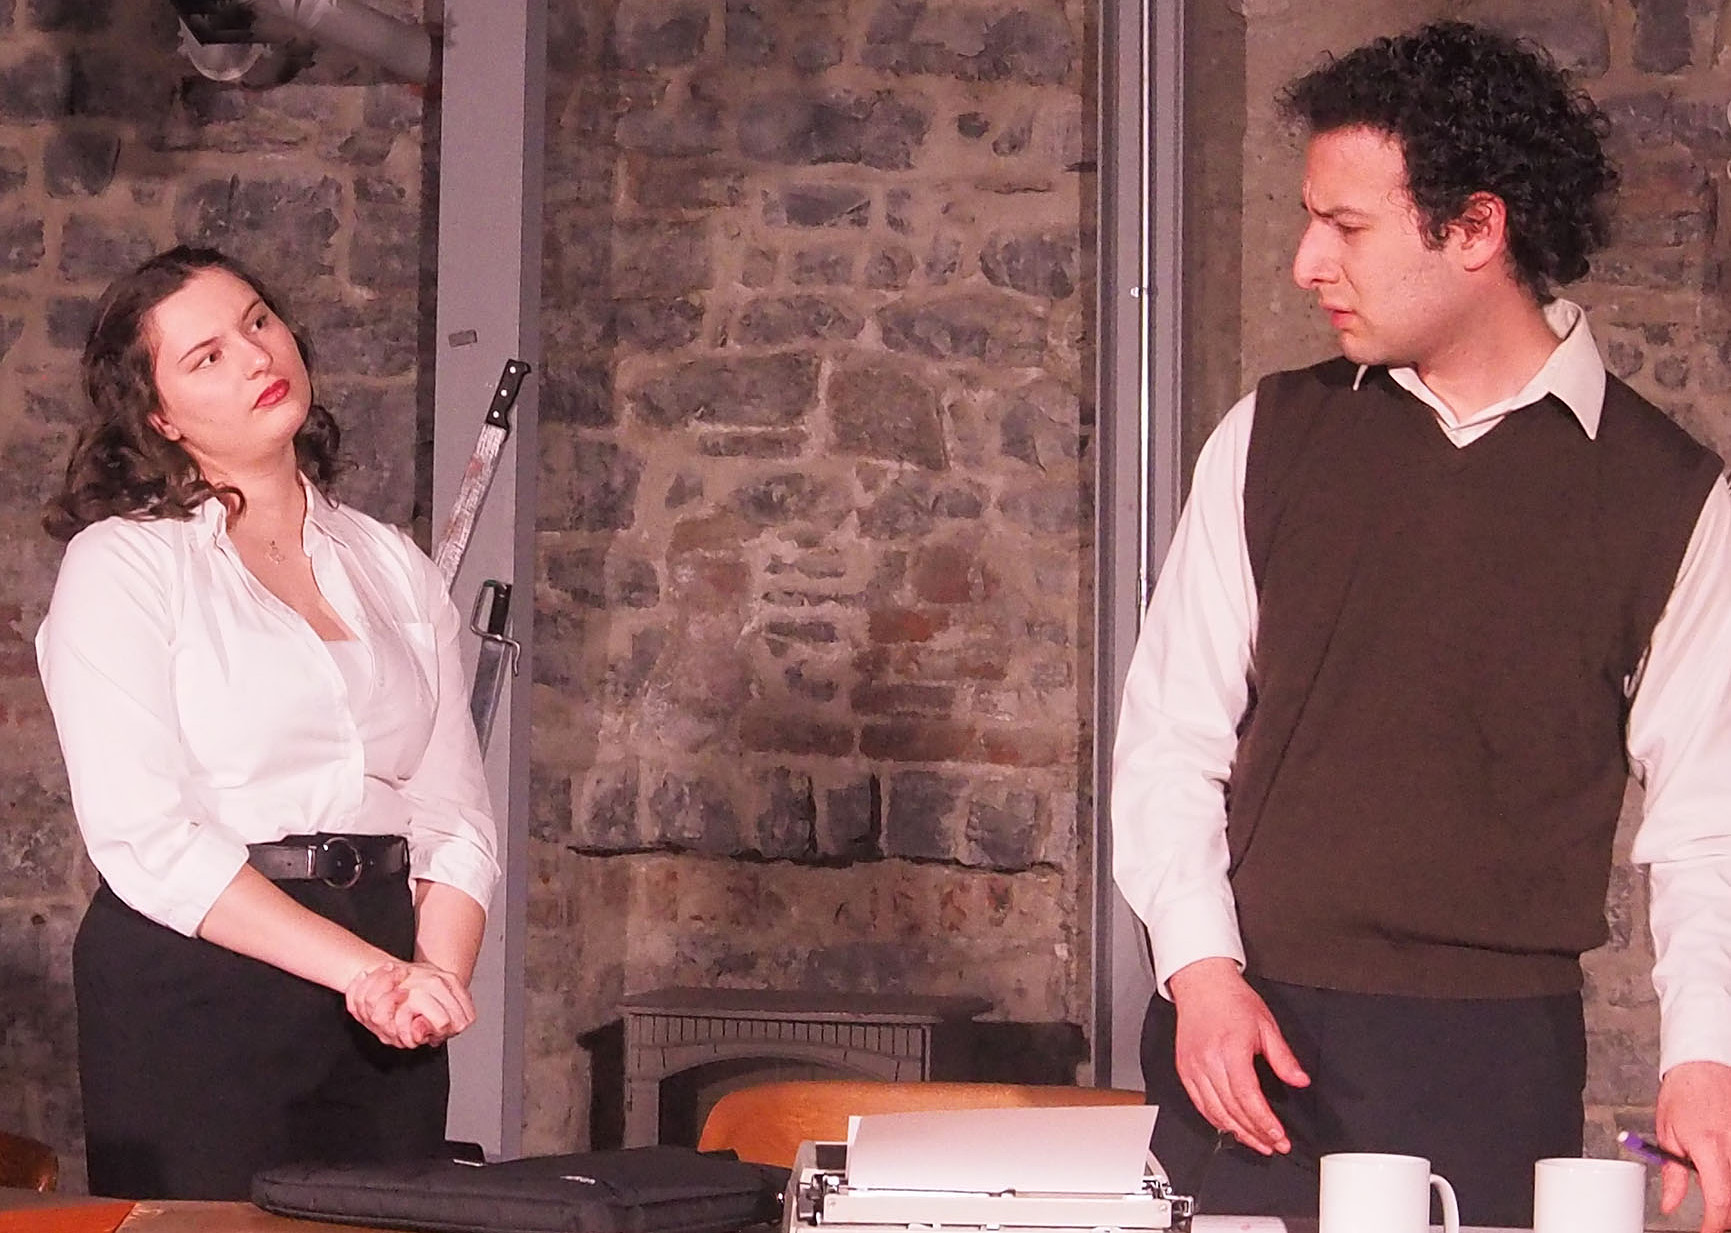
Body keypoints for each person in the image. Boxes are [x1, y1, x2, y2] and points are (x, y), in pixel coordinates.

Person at [1111, 21, 1731, 1232]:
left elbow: (1708, 821)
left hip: (1494, 1066)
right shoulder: (1272, 437)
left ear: (1475, 230)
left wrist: (1703, 1058)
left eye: (1345, 226)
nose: (1305, 263)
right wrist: (1201, 974)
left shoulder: (1671, 496)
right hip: (1247, 1041)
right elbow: (1170, 741)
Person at [34, 246, 500, 1200]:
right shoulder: (124, 566)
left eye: (257, 321)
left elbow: (454, 818)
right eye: (205, 355)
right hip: (200, 972)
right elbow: (149, 838)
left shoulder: (390, 562)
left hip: (385, 985)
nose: (254, 355)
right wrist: (365, 970)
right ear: (157, 415)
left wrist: (429, 980)